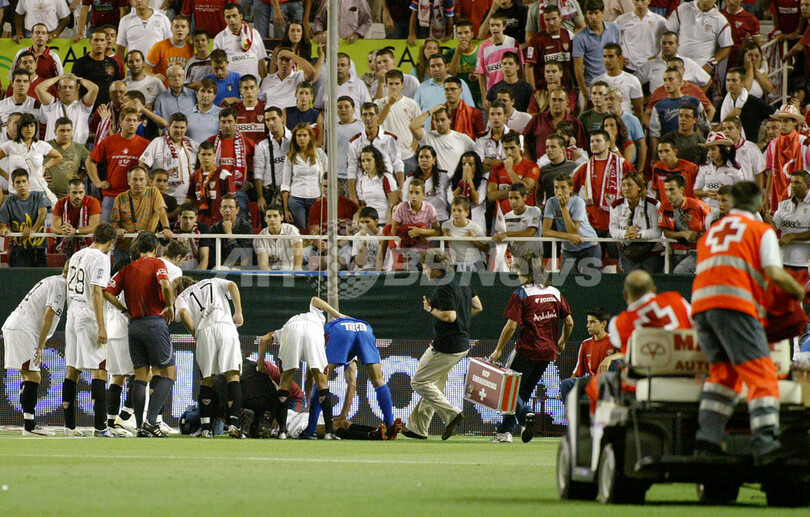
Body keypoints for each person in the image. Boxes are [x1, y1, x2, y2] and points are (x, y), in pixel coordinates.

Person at [693, 181, 806, 465]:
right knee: (762, 373)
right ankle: (766, 443)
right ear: (759, 204)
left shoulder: (711, 232)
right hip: (734, 306)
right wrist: (799, 292)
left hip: (702, 308)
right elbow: (774, 273)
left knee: (723, 376)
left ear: (731, 202)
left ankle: (707, 441)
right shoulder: (760, 231)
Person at [489, 253, 573, 443]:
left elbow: (511, 326)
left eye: (519, 270)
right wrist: (562, 342)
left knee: (506, 388)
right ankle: (505, 431)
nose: (517, 274)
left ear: (525, 272)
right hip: (547, 352)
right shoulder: (554, 292)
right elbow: (569, 322)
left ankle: (525, 414)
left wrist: (498, 349)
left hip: (527, 350)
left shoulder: (522, 293)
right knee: (524, 392)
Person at [103, 231, 176, 437]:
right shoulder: (157, 263)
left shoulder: (126, 269)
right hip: (154, 323)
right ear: (156, 248)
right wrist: (169, 305)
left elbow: (107, 292)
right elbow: (164, 284)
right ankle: (151, 422)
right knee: (169, 374)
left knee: (141, 376)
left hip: (134, 326)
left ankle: (139, 426)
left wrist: (124, 310)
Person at [403, 251, 483, 440]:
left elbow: (449, 316)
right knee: (434, 385)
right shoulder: (461, 279)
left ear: (435, 269)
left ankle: (452, 414)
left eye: (425, 268)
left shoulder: (443, 287)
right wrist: (463, 320)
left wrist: (431, 309)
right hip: (461, 344)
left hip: (447, 346)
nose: (424, 272)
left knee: (419, 382)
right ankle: (417, 428)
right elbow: (478, 306)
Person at [301, 297, 401, 440]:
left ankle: (310, 430)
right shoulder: (347, 340)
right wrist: (343, 415)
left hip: (339, 332)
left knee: (322, 381)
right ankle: (390, 424)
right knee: (378, 380)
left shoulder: (317, 332)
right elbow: (352, 383)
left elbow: (310, 377)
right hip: (364, 328)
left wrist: (309, 406)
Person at [61, 223, 120, 437]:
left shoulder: (77, 254)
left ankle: (69, 427)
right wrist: (101, 326)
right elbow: (96, 291)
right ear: (111, 242)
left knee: (72, 369)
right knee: (99, 369)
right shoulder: (101, 258)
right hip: (88, 315)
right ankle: (101, 427)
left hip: (73, 314)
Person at [257, 297, 341, 439]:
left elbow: (264, 339)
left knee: (285, 383)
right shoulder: (318, 318)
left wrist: (260, 364)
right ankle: (329, 432)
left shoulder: (283, 329)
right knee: (322, 382)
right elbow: (315, 299)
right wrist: (338, 315)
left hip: (291, 333)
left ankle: (282, 431)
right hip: (314, 332)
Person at [174, 276, 245, 438]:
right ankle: (234, 424)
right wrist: (238, 312)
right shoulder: (213, 281)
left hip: (204, 333)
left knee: (207, 379)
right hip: (225, 328)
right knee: (233, 376)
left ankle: (206, 428)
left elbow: (183, 313)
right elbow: (232, 285)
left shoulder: (181, 297)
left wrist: (195, 333)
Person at [2, 265, 67, 436]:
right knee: (33, 376)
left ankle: (29, 423)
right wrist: (41, 346)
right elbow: (48, 314)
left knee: (27, 375)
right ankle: (30, 426)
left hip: (17, 326)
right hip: (24, 330)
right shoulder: (60, 285)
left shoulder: (52, 280)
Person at [87, 107, 150, 222]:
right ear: (121, 122)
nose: (131, 123)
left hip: (135, 196)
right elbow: (90, 161)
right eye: (128, 120)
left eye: (134, 120)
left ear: (138, 123)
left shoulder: (146, 145)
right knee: (106, 231)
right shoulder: (109, 141)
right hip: (111, 196)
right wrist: (97, 182)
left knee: (133, 232)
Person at [110, 164, 173, 259]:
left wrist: (166, 228)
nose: (138, 183)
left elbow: (161, 211)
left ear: (146, 181)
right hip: (124, 247)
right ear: (128, 181)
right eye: (135, 179)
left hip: (147, 248)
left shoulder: (153, 192)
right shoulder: (120, 198)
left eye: (141, 179)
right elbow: (114, 222)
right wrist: (117, 229)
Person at [543, 173, 602, 273]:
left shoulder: (578, 202)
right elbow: (545, 231)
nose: (559, 191)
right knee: (567, 280)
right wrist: (568, 236)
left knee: (591, 280)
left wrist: (563, 208)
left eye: (563, 187)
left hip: (589, 245)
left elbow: (573, 231)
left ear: (570, 189)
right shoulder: (551, 202)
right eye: (556, 188)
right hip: (569, 249)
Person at [140, 112, 199, 207]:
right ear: (169, 126)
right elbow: (142, 165)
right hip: (161, 199)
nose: (179, 131)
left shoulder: (192, 144)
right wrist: (149, 184)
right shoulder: (158, 142)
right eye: (175, 127)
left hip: (186, 200)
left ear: (186, 128)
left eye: (182, 128)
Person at [0, 112, 62, 202]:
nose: (29, 129)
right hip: (16, 192)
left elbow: (58, 157)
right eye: (26, 126)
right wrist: (7, 176)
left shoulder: (41, 145)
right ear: (20, 127)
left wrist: (45, 167)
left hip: (38, 191)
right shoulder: (9, 146)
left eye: (32, 126)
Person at [609, 171, 663, 273]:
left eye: (630, 185)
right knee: (632, 281)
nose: (626, 188)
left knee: (650, 280)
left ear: (639, 187)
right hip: (629, 251)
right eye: (623, 185)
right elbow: (612, 229)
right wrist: (625, 234)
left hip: (652, 251)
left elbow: (657, 231)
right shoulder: (616, 205)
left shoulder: (653, 204)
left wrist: (638, 235)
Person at [207, 108, 256, 221]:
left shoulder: (247, 143)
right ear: (219, 123)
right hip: (216, 189)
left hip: (238, 190)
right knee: (215, 221)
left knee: (241, 222)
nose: (227, 125)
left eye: (230, 121)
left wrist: (251, 183)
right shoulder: (211, 142)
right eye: (223, 122)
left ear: (236, 122)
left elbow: (258, 166)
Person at [659, 174, 710, 274]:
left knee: (680, 271)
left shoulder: (696, 205)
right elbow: (666, 232)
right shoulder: (664, 206)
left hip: (695, 252)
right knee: (664, 275)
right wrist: (683, 234)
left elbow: (714, 221)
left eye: (671, 190)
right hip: (674, 253)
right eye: (666, 190)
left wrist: (703, 235)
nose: (668, 194)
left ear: (681, 189)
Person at [559, 307, 611, 403]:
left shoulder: (614, 341)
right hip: (592, 381)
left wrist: (609, 358)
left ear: (603, 324)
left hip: (608, 382)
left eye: (592, 322)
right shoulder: (585, 344)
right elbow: (577, 372)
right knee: (566, 383)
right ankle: (569, 412)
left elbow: (623, 354)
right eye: (588, 322)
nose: (588, 325)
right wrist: (563, 390)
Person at [572, 0, 621, 104]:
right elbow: (578, 68)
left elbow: (619, 57)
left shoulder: (614, 28)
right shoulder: (579, 38)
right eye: (590, 13)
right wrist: (585, 93)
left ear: (602, 12)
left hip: (612, 83)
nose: (593, 17)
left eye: (596, 13)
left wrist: (619, 79)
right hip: (591, 85)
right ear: (586, 15)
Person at [0, 169, 51, 267]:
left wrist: (33, 230)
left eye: (24, 181)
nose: (21, 185)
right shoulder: (8, 202)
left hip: (38, 248)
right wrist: (3, 229)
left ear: (28, 183)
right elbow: (2, 224)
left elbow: (43, 213)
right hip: (18, 250)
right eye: (18, 182)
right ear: (13, 185)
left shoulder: (39, 196)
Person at [648, 68, 707, 153]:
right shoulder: (659, 106)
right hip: (669, 151)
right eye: (665, 80)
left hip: (692, 149)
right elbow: (654, 135)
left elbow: (704, 126)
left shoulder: (694, 102)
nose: (667, 83)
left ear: (679, 81)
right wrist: (656, 155)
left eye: (671, 79)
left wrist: (697, 144)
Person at [765, 104, 809, 212]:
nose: (782, 124)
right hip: (778, 193)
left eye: (786, 121)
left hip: (802, 195)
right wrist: (767, 196)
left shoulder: (805, 142)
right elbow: (772, 172)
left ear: (795, 122)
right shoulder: (773, 144)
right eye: (780, 121)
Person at [636, 31, 711, 93]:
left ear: (677, 45)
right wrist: (643, 100)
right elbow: (635, 82)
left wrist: (697, 99)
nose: (667, 46)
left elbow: (707, 81)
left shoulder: (688, 63)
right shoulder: (650, 65)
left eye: (670, 43)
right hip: (657, 102)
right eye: (664, 43)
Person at [281, 123, 326, 229]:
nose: (302, 138)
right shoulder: (290, 156)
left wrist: (323, 196)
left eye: (305, 135)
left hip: (316, 198)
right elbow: (285, 184)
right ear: (295, 138)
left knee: (315, 229)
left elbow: (327, 177)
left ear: (310, 137)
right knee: (300, 230)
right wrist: (286, 209)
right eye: (299, 135)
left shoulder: (319, 154)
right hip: (296, 199)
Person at [376, 70, 420, 175]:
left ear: (402, 85)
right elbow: (377, 122)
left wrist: (415, 145)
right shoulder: (378, 103)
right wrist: (389, 104)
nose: (394, 87)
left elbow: (419, 126)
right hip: (385, 157)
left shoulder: (411, 103)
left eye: (397, 83)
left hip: (407, 156)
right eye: (391, 84)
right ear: (386, 85)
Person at [524, 87, 587, 161]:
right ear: (549, 101)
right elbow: (525, 141)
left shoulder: (575, 123)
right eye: (554, 100)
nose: (556, 103)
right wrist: (530, 161)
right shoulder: (537, 119)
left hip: (568, 166)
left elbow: (582, 147)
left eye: (560, 100)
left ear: (567, 102)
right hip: (541, 165)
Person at [184, 141, 237, 227]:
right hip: (200, 222)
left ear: (214, 156)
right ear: (198, 155)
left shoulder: (224, 175)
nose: (206, 158)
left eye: (209, 154)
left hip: (219, 222)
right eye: (203, 154)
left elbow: (231, 202)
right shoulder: (194, 176)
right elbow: (190, 199)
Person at [36, 73, 99, 145]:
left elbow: (94, 89)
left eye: (71, 87)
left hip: (77, 150)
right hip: (53, 150)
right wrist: (60, 77)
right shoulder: (52, 105)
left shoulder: (82, 107)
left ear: (76, 89)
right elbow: (39, 88)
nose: (67, 90)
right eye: (64, 87)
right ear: (59, 90)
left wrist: (78, 79)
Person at [487, 132, 540, 217]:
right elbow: (491, 196)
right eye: (505, 148)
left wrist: (509, 170)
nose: (509, 152)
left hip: (525, 217)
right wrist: (516, 190)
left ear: (519, 146)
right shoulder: (497, 168)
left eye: (512, 148)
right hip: (502, 218)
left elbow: (526, 188)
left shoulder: (531, 166)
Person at [72, 27, 124, 109]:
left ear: (106, 43)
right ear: (90, 42)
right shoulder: (80, 63)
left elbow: (117, 86)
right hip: (87, 109)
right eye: (96, 40)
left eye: (102, 40)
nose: (99, 43)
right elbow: (75, 88)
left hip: (108, 109)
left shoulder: (112, 62)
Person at [525, 6, 575, 92]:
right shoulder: (536, 40)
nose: (551, 23)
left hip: (566, 89)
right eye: (547, 20)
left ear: (560, 18)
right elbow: (529, 67)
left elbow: (574, 64)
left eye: (554, 19)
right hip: (543, 90)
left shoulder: (569, 35)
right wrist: (533, 92)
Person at [213, 2, 267, 79]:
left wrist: (265, 82)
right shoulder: (219, 38)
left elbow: (261, 60)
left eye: (234, 16)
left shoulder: (254, 33)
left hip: (253, 84)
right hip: (231, 83)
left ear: (241, 16)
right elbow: (217, 65)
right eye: (228, 17)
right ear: (224, 18)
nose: (232, 20)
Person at [494, 183, 543, 267]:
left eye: (516, 198)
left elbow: (530, 233)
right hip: (516, 260)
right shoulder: (507, 217)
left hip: (533, 258)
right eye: (510, 198)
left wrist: (507, 234)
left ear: (524, 197)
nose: (513, 201)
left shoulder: (534, 211)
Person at [199, 193, 254, 269]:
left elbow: (243, 257)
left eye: (231, 207)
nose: (227, 210)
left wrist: (229, 234)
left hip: (240, 268)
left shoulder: (246, 228)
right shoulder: (214, 229)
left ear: (237, 210)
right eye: (224, 207)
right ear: (220, 210)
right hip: (221, 267)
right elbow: (212, 257)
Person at [52, 178, 102, 258]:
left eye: (80, 192)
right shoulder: (61, 203)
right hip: (69, 246)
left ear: (84, 192)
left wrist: (75, 231)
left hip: (90, 247)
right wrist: (63, 231)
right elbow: (54, 227)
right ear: (68, 192)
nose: (78, 196)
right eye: (74, 193)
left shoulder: (93, 202)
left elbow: (94, 227)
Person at [254, 106, 292, 214]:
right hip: (270, 193)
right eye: (267, 120)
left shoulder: (294, 139)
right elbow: (258, 171)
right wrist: (260, 197)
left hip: (291, 192)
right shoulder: (262, 145)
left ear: (282, 118)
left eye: (274, 119)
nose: (271, 123)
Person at [475, 13, 524, 97]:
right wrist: (484, 96)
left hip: (513, 92)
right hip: (493, 93)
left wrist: (521, 87)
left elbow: (521, 67)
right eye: (492, 25)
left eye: (498, 25)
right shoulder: (483, 47)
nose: (495, 28)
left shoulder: (513, 43)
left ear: (504, 26)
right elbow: (481, 74)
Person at [258, 47, 319, 112]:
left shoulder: (299, 76)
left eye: (288, 59)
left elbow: (312, 72)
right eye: (282, 59)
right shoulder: (268, 80)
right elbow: (261, 100)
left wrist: (292, 55)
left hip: (292, 115)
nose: (284, 63)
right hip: (272, 116)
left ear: (293, 62)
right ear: (276, 61)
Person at [694, 132, 745, 210]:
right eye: (708, 149)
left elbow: (742, 192)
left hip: (727, 210)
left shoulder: (734, 170)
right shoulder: (704, 168)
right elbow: (696, 191)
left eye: (713, 149)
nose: (710, 153)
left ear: (722, 150)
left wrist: (725, 194)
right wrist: (706, 193)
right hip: (706, 209)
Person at [593, 44, 642, 121]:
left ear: (619, 58)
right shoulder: (597, 81)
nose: (607, 60)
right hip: (605, 123)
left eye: (611, 56)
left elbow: (638, 109)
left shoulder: (632, 80)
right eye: (604, 56)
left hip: (626, 122)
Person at [772, 170, 810, 271]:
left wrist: (792, 236)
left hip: (804, 262)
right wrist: (767, 219)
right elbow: (773, 226)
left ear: (808, 185)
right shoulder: (783, 204)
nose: (793, 186)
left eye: (797, 183)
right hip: (782, 259)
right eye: (791, 182)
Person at [615, 0, 666, 73]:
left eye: (642, 0)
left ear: (649, 1)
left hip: (652, 67)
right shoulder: (621, 20)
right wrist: (620, 55)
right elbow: (613, 39)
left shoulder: (660, 21)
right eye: (636, 0)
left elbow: (668, 40)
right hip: (628, 66)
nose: (639, 3)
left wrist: (659, 57)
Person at [403, 145, 450, 222]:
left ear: (434, 159)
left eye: (427, 157)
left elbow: (452, 196)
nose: (424, 160)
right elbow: (405, 201)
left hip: (440, 218)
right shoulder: (410, 179)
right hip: (418, 220)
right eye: (421, 157)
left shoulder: (444, 176)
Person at [46, 118, 89, 200]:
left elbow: (92, 164)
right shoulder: (45, 146)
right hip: (47, 195)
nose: (65, 134)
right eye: (62, 131)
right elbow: (31, 163)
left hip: (71, 196)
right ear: (55, 131)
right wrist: (39, 177)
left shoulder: (79, 148)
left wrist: (82, 175)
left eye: (68, 130)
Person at [651, 135, 699, 207]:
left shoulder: (691, 168)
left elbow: (699, 191)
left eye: (667, 151)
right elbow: (657, 192)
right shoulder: (657, 168)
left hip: (689, 209)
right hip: (667, 210)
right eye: (660, 152)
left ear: (675, 152)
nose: (663, 155)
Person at [146, 15, 194, 86]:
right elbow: (145, 68)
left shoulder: (191, 48)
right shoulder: (159, 46)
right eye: (176, 26)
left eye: (183, 27)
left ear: (188, 30)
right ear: (171, 29)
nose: (180, 29)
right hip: (161, 89)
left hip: (180, 89)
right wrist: (154, 76)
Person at [442, 196, 487, 271]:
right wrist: (445, 239)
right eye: (453, 210)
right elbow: (442, 245)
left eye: (459, 211)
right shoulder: (446, 226)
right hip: (455, 263)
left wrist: (474, 241)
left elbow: (486, 248)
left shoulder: (476, 228)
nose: (456, 213)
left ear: (467, 213)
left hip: (475, 262)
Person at [254, 204, 303, 271]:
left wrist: (295, 273)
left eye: (275, 216)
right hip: (272, 273)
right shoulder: (260, 238)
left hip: (292, 271)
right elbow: (263, 264)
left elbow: (298, 252)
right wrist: (270, 276)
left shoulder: (291, 230)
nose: (272, 219)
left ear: (282, 217)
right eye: (269, 216)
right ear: (265, 219)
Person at [721, 116, 766, 187]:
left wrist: (758, 192)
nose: (726, 131)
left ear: (739, 130)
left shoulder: (751, 148)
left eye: (730, 128)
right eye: (724, 129)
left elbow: (759, 172)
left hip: (747, 190)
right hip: (728, 190)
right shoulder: (721, 149)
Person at [450, 151, 488, 230]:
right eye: (464, 164)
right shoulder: (453, 181)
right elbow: (452, 200)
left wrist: (469, 181)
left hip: (477, 223)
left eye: (470, 164)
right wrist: (462, 183)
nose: (466, 167)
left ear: (476, 166)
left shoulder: (483, 181)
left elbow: (477, 201)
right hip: (457, 222)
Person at [172, 204, 211, 269]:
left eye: (191, 218)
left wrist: (200, 274)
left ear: (196, 218)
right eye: (185, 218)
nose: (188, 221)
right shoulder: (171, 228)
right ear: (179, 217)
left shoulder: (202, 229)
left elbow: (204, 257)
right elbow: (165, 257)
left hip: (196, 270)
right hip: (175, 270)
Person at [186, 78, 223, 143]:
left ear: (214, 95)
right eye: (202, 91)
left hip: (213, 149)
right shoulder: (186, 114)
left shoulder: (222, 113)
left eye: (209, 92)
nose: (205, 95)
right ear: (197, 93)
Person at [351, 206, 383, 271]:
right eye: (362, 222)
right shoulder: (358, 236)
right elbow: (360, 264)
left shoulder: (384, 234)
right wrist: (364, 241)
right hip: (362, 271)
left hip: (380, 270)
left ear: (376, 222)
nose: (364, 225)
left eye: (367, 222)